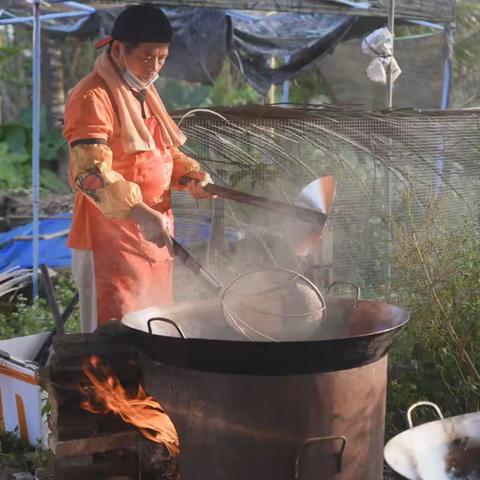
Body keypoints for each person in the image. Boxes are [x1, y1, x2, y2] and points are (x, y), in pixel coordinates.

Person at [63, 4, 213, 332]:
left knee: (156, 330)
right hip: (109, 244)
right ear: (118, 50)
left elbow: (162, 152)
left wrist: (190, 175)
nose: (155, 68)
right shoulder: (92, 96)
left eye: (162, 58)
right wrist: (139, 210)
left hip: (154, 236)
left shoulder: (143, 92)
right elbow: (89, 173)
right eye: (147, 58)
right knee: (114, 341)